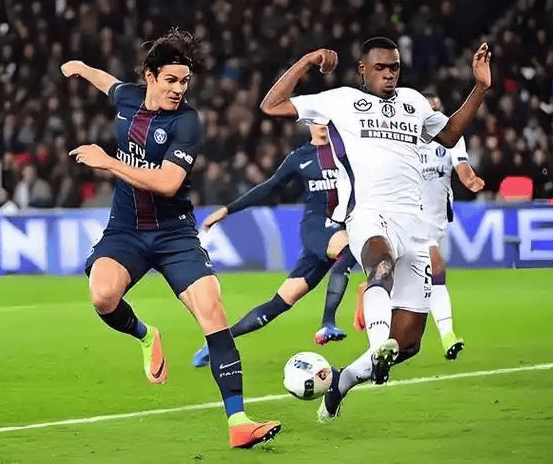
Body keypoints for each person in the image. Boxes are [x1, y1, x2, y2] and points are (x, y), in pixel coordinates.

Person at [62, 29, 280, 449]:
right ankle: (147, 334)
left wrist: (109, 162)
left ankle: (238, 421)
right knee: (102, 296)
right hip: (126, 231)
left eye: (185, 81)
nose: (179, 89)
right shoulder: (129, 98)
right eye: (171, 80)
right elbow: (109, 84)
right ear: (150, 77)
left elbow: (167, 183)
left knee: (213, 312)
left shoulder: (187, 122)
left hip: (174, 233)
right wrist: (82, 68)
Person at [259, 36, 492, 421]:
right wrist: (307, 61)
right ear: (362, 70)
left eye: (394, 67)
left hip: (414, 224)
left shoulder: (414, 102)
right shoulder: (342, 100)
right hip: (368, 213)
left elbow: (450, 135)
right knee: (380, 266)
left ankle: (344, 380)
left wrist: (480, 87)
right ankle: (379, 344)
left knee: (410, 343)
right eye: (380, 67)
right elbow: (272, 105)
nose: (388, 74)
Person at [191, 123, 357, 368]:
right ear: (308, 123)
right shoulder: (300, 157)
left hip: (339, 227)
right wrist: (226, 210)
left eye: (326, 119)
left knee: (279, 303)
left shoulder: (345, 152)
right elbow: (268, 188)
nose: (322, 124)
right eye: (316, 119)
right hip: (316, 228)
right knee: (349, 251)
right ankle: (327, 323)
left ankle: (217, 343)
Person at [352, 93, 485, 360]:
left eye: (437, 110)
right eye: (428, 110)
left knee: (415, 287)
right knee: (436, 271)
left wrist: (469, 178)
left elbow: (462, 165)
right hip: (408, 219)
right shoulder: (402, 137)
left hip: (437, 222)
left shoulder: (451, 137)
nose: (433, 115)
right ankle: (447, 336)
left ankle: (376, 327)